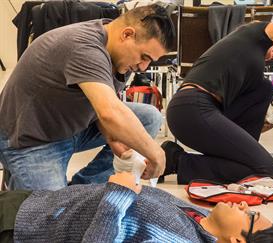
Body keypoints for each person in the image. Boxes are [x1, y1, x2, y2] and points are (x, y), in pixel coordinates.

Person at [0, 4, 174, 190]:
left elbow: (100, 105)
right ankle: (59, 195)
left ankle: (81, 190)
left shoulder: (118, 50)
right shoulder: (83, 46)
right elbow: (109, 112)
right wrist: (157, 154)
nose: (143, 67)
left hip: (70, 125)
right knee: (52, 216)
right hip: (31, 140)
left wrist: (112, 136)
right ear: (127, 34)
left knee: (149, 117)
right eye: (144, 57)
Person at [162, 20, 273, 184]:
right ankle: (175, 161)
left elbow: (238, 128)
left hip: (195, 112)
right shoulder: (258, 31)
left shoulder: (247, 66)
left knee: (263, 90)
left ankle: (175, 159)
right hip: (192, 108)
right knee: (264, 168)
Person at [0, 172, 273, 243]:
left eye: (249, 215)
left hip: (24, 226)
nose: (242, 205)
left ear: (237, 240)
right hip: (40, 204)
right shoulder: (201, 219)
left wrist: (118, 196)